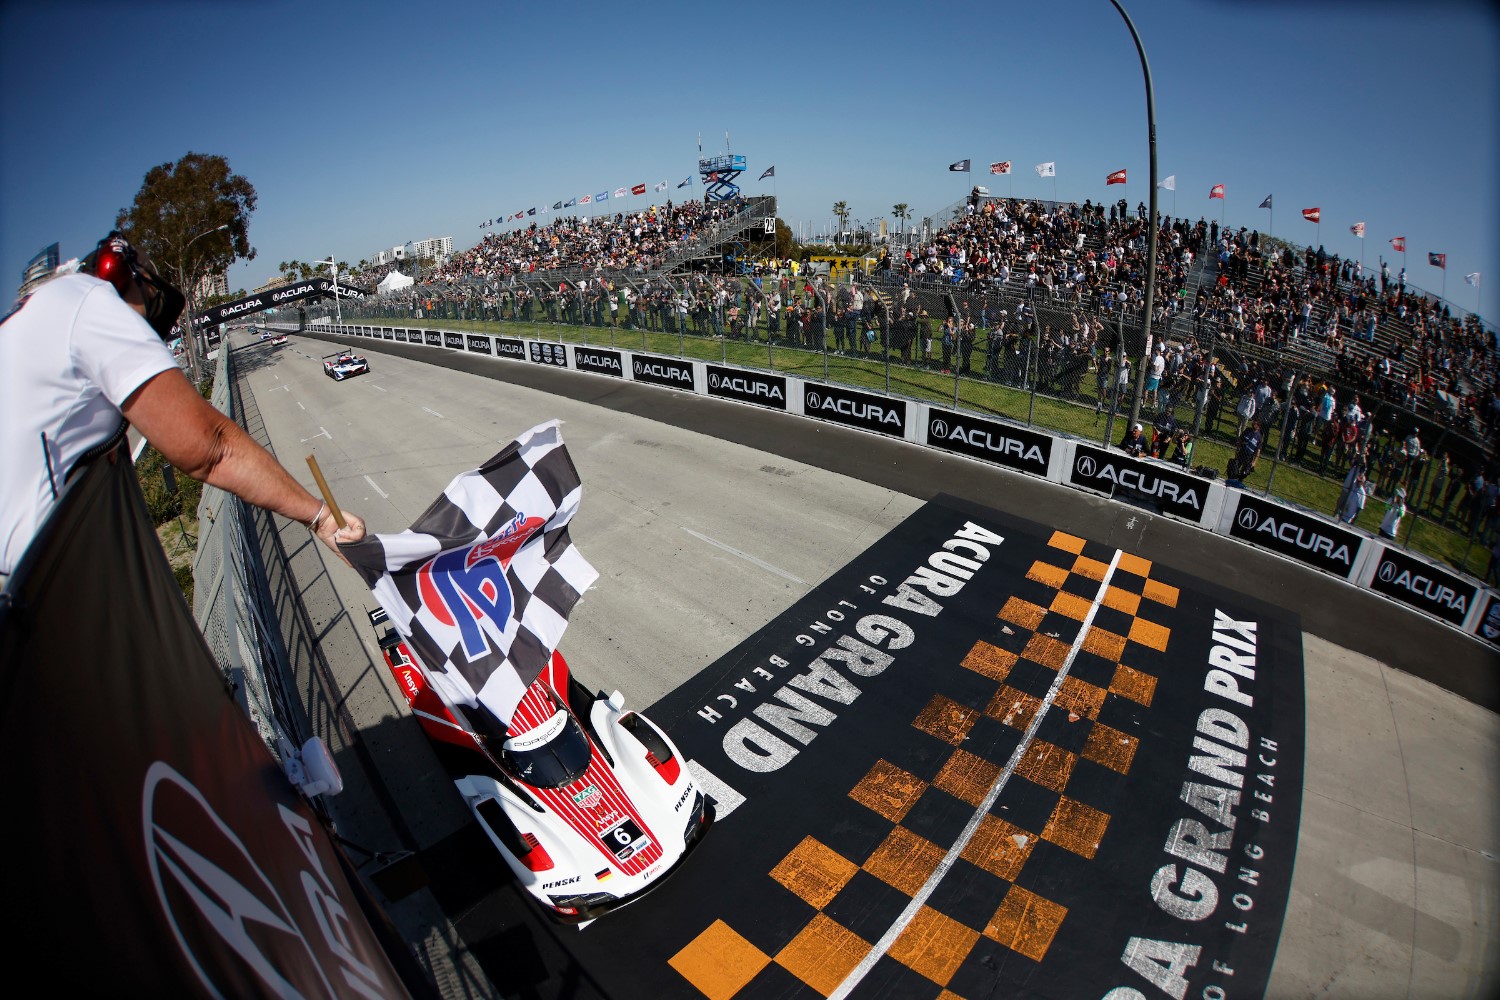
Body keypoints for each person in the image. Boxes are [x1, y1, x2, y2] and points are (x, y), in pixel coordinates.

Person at [1, 232, 365, 583]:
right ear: (124, 273)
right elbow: (212, 448)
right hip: (37, 586)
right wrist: (318, 517)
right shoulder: (91, 299)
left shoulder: (30, 318)